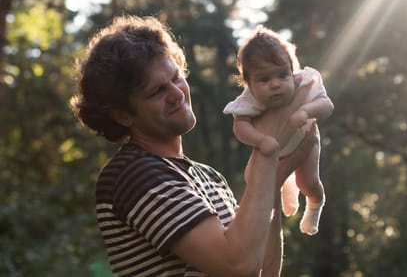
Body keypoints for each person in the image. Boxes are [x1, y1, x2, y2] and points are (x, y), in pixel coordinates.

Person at [70, 15, 316, 277]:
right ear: (123, 114)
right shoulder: (133, 174)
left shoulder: (211, 178)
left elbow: (263, 272)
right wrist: (269, 157)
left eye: (176, 78)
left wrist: (274, 180)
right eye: (156, 92)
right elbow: (237, 265)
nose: (177, 94)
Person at [223, 26, 334, 235]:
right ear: (249, 83)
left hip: (304, 140)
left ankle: (315, 203)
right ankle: (287, 187)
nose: (276, 84)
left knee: (308, 182)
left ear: (292, 71)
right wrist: (259, 140)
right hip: (273, 147)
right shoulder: (249, 100)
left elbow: (327, 105)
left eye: (283, 75)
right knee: (251, 177)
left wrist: (306, 110)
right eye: (264, 79)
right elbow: (240, 126)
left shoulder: (304, 83)